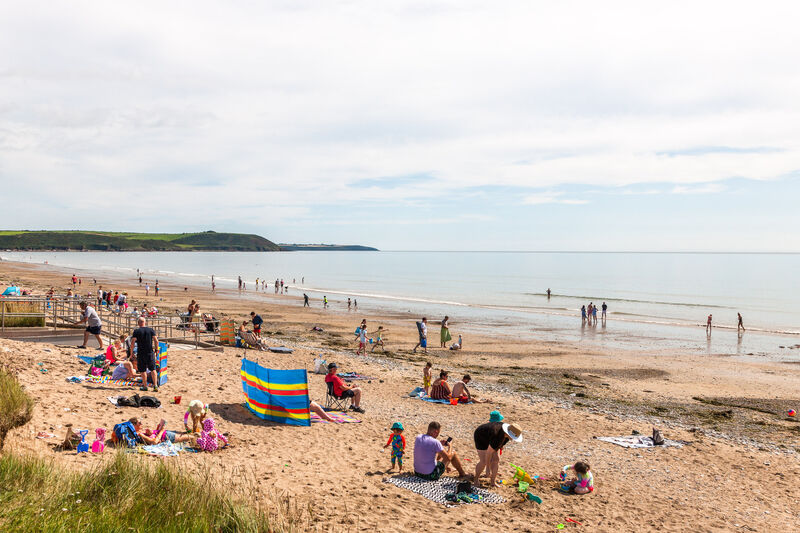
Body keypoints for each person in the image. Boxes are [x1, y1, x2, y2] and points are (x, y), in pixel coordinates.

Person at [473, 420, 523, 487]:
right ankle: (476, 479)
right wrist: (487, 468)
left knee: (496, 459)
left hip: (492, 436)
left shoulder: (507, 436)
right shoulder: (497, 435)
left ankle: (493, 482)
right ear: (508, 433)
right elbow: (488, 453)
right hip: (481, 435)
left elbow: (500, 443)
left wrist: (500, 446)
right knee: (484, 461)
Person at [130, 317, 159, 393]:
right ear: (145, 322)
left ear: (138, 323)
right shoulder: (151, 330)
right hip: (150, 352)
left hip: (141, 353)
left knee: (142, 370)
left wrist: (131, 353)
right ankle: (155, 385)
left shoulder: (136, 331)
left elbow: (132, 343)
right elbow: (156, 340)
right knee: (153, 369)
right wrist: (156, 350)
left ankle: (145, 386)